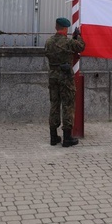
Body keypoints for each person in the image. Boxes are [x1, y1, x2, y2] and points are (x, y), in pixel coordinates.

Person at [45, 17, 85, 147]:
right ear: (66, 28)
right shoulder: (68, 43)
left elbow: (47, 54)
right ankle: (67, 138)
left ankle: (53, 137)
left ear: (56, 27)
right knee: (68, 105)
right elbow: (81, 47)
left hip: (53, 76)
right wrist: (77, 36)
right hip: (65, 77)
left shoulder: (49, 42)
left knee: (54, 105)